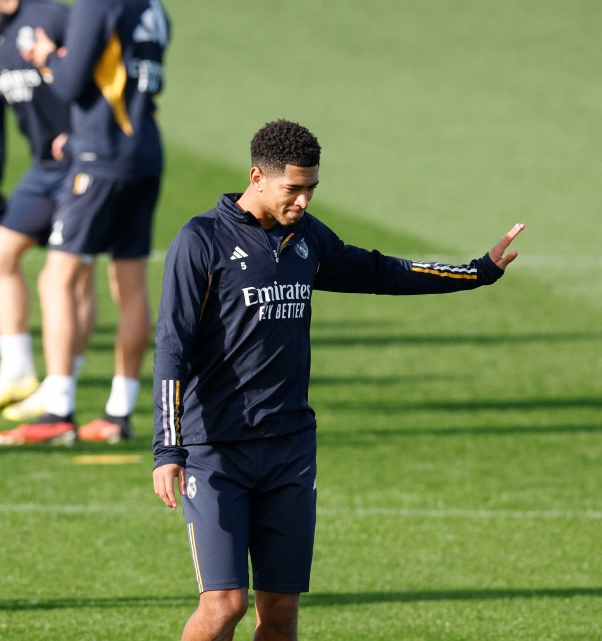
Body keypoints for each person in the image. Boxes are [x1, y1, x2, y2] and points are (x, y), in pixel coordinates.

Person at [152, 119, 525, 640]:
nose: (303, 201)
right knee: (224, 605)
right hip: (215, 449)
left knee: (280, 610)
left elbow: (380, 272)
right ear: (257, 176)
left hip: (289, 448)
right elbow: (172, 347)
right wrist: (167, 450)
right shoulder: (201, 242)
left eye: (311, 189)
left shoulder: (307, 239)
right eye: (293, 189)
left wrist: (475, 271)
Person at [0, 0, 171, 446]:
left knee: (58, 279)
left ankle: (58, 409)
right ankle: (118, 413)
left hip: (101, 160)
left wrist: (46, 55)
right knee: (130, 283)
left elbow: (70, 84)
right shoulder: (154, 7)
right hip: (144, 153)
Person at [0, 0, 98, 423]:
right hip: (44, 171)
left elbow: (103, 69)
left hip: (87, 164)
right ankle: (16, 372)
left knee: (72, 274)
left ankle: (61, 383)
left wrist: (86, 132)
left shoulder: (54, 17)